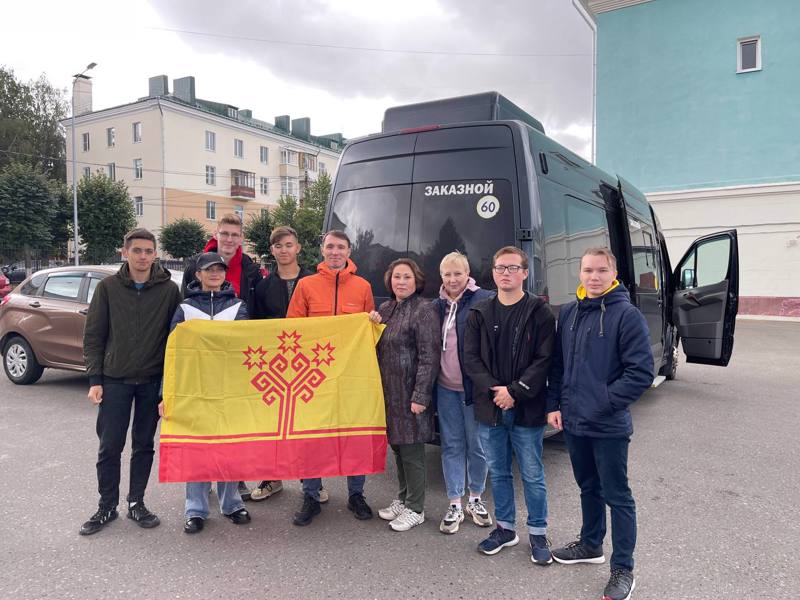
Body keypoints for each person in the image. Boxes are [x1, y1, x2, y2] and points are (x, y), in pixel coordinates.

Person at [546, 247, 653, 600]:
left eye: (601, 271)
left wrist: (602, 403)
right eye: (588, 270)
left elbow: (641, 373)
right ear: (579, 274)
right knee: (588, 487)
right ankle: (591, 545)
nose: (594, 277)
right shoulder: (571, 313)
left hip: (608, 425)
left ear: (613, 274)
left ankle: (623, 569)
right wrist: (556, 405)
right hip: (574, 423)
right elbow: (559, 366)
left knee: (618, 496)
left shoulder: (627, 315)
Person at [80, 228, 182, 536]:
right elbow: (94, 336)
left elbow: (176, 340)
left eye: (148, 251)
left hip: (151, 381)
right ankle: (106, 505)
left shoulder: (168, 290)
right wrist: (95, 378)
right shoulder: (108, 288)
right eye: (136, 250)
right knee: (110, 446)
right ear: (125, 253)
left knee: (143, 445)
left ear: (155, 254)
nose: (143, 256)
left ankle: (136, 502)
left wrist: (171, 387)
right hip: (115, 380)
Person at [463, 246, 556, 564]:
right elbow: (470, 359)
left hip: (526, 407)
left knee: (531, 473)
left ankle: (538, 532)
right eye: (500, 268)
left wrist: (515, 391)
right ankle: (505, 529)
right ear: (492, 272)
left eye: (513, 268)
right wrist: (494, 390)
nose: (506, 273)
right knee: (499, 473)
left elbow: (545, 359)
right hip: (490, 407)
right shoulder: (480, 312)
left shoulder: (539, 312)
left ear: (525, 273)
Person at [286, 230, 376, 525]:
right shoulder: (306, 285)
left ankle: (356, 494)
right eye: (330, 247)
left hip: (351, 374)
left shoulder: (363, 286)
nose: (335, 252)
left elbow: (368, 333)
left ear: (349, 251)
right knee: (312, 436)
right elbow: (293, 330)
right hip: (314, 376)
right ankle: (311, 494)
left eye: (340, 247)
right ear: (322, 250)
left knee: (354, 432)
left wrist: (374, 321)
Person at [160, 252, 252, 533]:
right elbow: (173, 353)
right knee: (197, 449)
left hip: (230, 390)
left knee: (229, 447)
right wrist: (167, 394)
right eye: (208, 269)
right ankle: (196, 509)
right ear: (197, 275)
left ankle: (232, 504)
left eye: (219, 269)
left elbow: (247, 348)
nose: (215, 273)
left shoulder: (238, 307)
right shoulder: (185, 309)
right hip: (195, 390)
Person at [182, 212, 262, 500]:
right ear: (216, 235)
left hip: (234, 367)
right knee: (200, 436)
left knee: (233, 432)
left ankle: (232, 491)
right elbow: (183, 326)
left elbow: (255, 318)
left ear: (240, 238)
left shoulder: (250, 269)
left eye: (234, 234)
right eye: (224, 233)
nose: (229, 239)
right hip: (201, 373)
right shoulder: (195, 266)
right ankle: (197, 503)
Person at [369, 259, 441, 532]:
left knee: (412, 451)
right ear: (390, 281)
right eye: (397, 277)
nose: (401, 281)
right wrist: (372, 322)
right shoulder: (386, 308)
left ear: (416, 281)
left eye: (407, 277)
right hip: (388, 393)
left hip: (410, 393)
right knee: (398, 447)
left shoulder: (424, 310)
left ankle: (416, 507)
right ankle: (403, 497)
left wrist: (420, 395)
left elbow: (428, 357)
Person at [431, 251, 494, 534]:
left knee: (477, 446)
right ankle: (455, 502)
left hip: (474, 390)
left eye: (458, 273)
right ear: (441, 277)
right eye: (448, 274)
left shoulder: (484, 299)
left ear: (467, 273)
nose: (453, 279)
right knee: (452, 445)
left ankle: (476, 499)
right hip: (445, 389)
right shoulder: (436, 306)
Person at [249, 226, 312, 501]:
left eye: (289, 244)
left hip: (309, 362)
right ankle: (271, 478)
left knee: (308, 425)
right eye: (278, 246)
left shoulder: (313, 280)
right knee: (273, 425)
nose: (284, 250)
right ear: (272, 250)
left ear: (297, 247)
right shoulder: (263, 286)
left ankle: (312, 482)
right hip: (275, 364)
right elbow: (256, 326)